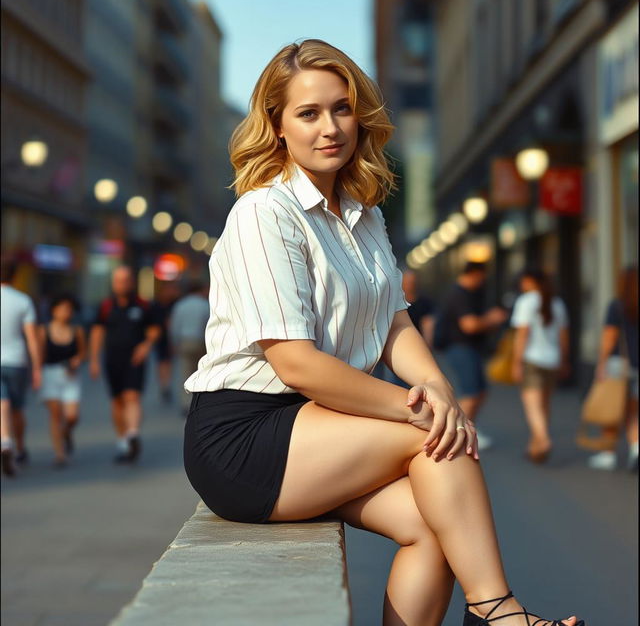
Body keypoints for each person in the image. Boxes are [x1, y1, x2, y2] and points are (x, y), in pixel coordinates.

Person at [182, 40, 583, 626]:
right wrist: (417, 408)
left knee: (438, 528)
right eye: (308, 113)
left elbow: (397, 323)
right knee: (433, 436)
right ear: (277, 125)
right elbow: (295, 364)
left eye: (342, 108)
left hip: (324, 429)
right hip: (250, 432)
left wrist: (437, 388)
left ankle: (490, 609)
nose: (330, 128)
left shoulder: (363, 216)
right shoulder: (264, 213)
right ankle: (500, 613)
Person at [89, 266, 161, 463]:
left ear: (132, 282)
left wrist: (146, 346)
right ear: (113, 283)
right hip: (112, 359)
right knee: (117, 401)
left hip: (135, 359)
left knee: (132, 396)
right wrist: (94, 359)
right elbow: (97, 332)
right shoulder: (105, 306)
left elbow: (154, 329)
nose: (122, 284)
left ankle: (133, 434)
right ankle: (123, 442)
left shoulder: (144, 305)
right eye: (118, 280)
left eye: (125, 280)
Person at [440, 261, 508, 450]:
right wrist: (491, 319)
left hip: (468, 348)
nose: (483, 281)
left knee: (479, 391)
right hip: (461, 348)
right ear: (475, 274)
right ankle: (457, 432)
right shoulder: (460, 294)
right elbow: (469, 325)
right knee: (471, 393)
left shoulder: (465, 293)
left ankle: (466, 428)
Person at [510, 269, 569, 463]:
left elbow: (522, 334)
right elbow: (563, 336)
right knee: (544, 405)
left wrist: (516, 362)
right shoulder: (557, 302)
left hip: (532, 359)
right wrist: (564, 360)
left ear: (530, 281)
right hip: (552, 359)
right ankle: (534, 446)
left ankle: (543, 439)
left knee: (533, 405)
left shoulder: (526, 301)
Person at [588, 266, 638, 471]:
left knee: (612, 408)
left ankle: (608, 454)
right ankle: (636, 449)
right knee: (634, 412)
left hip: (619, 364)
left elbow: (609, 337)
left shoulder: (617, 306)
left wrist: (601, 365)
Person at [1, 259, 41, 477]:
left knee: (1, 403)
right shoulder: (23, 300)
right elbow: (32, 338)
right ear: (15, 276)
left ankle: (5, 441)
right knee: (17, 408)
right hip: (17, 361)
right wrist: (37, 369)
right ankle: (20, 447)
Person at [38, 294, 86, 468]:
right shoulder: (44, 330)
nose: (66, 312)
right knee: (56, 415)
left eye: (69, 309)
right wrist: (36, 373)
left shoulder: (77, 330)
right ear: (54, 311)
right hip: (50, 374)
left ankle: (66, 433)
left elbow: (82, 352)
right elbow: (39, 354)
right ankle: (60, 454)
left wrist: (77, 360)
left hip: (71, 376)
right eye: (62, 309)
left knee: (72, 416)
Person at [169, 281, 209, 416]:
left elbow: (174, 325)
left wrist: (174, 342)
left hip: (184, 341)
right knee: (201, 372)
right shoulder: (205, 304)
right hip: (201, 341)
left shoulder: (180, 305)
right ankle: (200, 402)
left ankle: (186, 404)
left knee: (185, 373)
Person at [152, 282, 180, 404]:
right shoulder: (157, 305)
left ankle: (166, 384)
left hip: (172, 336)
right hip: (161, 337)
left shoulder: (175, 304)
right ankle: (164, 385)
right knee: (163, 361)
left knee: (168, 362)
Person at [403, 269, 435, 348]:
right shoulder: (395, 303)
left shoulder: (425, 302)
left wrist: (426, 346)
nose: (410, 285)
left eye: (412, 282)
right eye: (407, 282)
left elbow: (428, 324)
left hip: (420, 343)